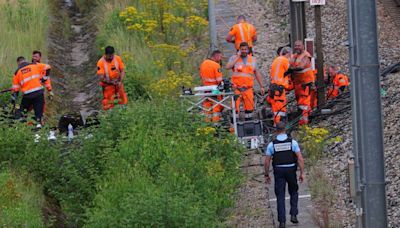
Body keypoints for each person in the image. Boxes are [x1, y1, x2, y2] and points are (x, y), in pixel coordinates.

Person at [264, 122, 305, 228]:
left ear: (276, 131)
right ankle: (294, 215)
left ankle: (282, 222)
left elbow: (267, 161)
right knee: (294, 192)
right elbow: (300, 158)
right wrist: (302, 173)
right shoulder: (293, 143)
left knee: (280, 196)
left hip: (279, 171)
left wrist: (266, 174)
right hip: (291, 170)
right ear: (285, 130)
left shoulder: (271, 145)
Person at [226, 42, 265, 120]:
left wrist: (261, 86)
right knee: (235, 111)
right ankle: (234, 128)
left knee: (249, 112)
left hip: (248, 89)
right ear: (239, 50)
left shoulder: (253, 59)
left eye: (245, 49)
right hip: (236, 89)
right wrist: (238, 57)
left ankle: (248, 127)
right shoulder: (234, 58)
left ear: (248, 50)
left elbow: (257, 73)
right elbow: (228, 67)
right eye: (242, 49)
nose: (243, 51)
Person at [12, 56, 50, 128]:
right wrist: (44, 79)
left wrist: (13, 102)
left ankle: (21, 126)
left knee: (23, 111)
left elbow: (15, 90)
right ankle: (38, 126)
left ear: (18, 63)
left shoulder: (17, 72)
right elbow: (48, 67)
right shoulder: (34, 65)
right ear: (25, 60)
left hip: (27, 95)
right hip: (39, 93)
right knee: (38, 112)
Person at [289, 40, 315, 125]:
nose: (297, 47)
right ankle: (303, 120)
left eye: (299, 45)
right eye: (295, 45)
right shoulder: (294, 56)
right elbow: (290, 65)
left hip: (306, 83)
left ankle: (305, 122)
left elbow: (301, 67)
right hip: (298, 84)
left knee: (304, 104)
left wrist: (291, 70)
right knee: (300, 103)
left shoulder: (306, 55)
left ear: (303, 46)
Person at [267, 47, 294, 125]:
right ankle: (279, 128)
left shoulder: (277, 60)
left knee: (276, 111)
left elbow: (283, 74)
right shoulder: (285, 60)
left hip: (274, 88)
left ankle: (277, 127)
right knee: (280, 111)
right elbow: (291, 70)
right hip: (279, 90)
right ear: (288, 54)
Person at [97, 46, 128, 110]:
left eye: (112, 55)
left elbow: (122, 70)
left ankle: (124, 111)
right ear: (105, 54)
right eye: (109, 56)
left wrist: (120, 81)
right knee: (108, 102)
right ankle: (110, 115)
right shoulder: (100, 62)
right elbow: (101, 77)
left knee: (122, 98)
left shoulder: (117, 58)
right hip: (107, 85)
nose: (111, 57)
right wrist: (111, 82)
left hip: (118, 83)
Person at [199, 50, 224, 122]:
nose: (220, 59)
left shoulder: (203, 64)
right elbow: (219, 80)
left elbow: (201, 76)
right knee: (217, 105)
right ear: (216, 56)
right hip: (215, 88)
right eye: (220, 57)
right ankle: (216, 123)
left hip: (205, 88)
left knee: (207, 105)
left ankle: (207, 123)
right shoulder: (216, 65)